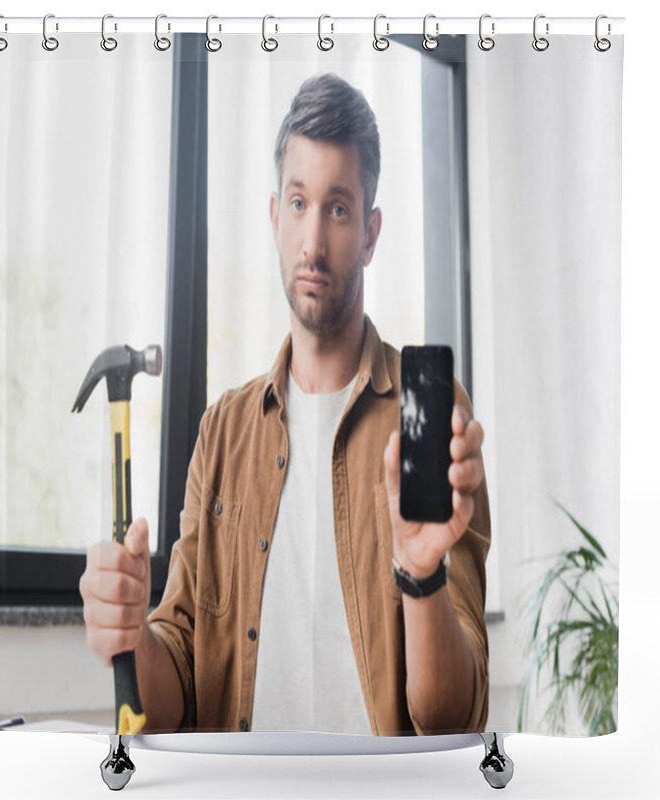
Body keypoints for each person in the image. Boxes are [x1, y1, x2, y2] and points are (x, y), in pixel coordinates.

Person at [80, 73, 491, 736]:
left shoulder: (430, 418)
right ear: (274, 216)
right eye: (299, 203)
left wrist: (422, 574)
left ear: (371, 232)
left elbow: (450, 716)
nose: (312, 242)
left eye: (337, 208)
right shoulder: (223, 433)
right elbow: (173, 688)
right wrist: (129, 634)